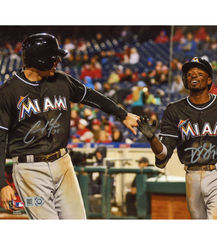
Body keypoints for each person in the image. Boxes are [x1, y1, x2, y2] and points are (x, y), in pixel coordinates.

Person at [0, 33, 139, 219]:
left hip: (63, 163)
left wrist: (122, 114)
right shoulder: (9, 92)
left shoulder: (61, 81)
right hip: (30, 171)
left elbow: (91, 96)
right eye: (53, 58)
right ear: (40, 60)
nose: (57, 61)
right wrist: (2, 184)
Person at [137, 57, 217, 219]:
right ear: (185, 81)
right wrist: (153, 139)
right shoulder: (174, 110)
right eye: (189, 74)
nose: (193, 76)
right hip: (192, 176)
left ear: (209, 80)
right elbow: (163, 154)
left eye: (199, 73)